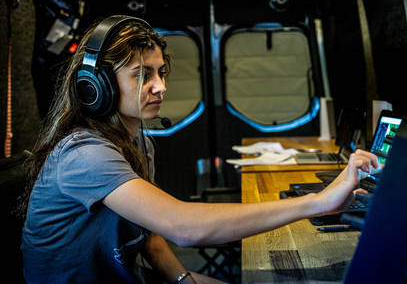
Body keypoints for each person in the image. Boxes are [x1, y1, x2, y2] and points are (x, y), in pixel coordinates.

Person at [18, 15, 380, 284]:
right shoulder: (84, 154)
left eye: (161, 72)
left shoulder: (139, 142)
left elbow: (150, 230)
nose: (160, 87)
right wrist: (319, 202)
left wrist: (182, 280)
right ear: (94, 87)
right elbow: (181, 227)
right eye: (142, 74)